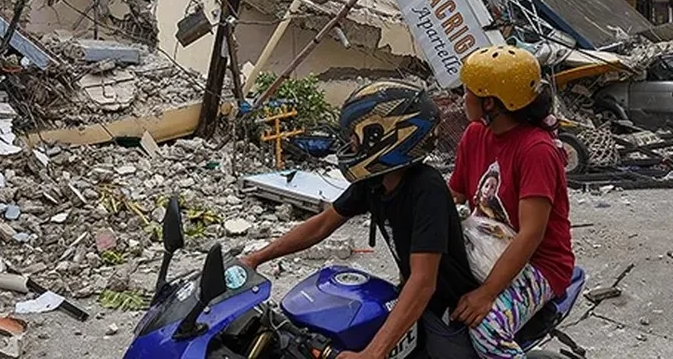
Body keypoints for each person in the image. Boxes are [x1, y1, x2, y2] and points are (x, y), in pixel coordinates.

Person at [240, 80, 479, 359]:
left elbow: (424, 281)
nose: (350, 143)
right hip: (411, 301)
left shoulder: (427, 189)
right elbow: (321, 224)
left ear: (388, 136)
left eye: (356, 135)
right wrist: (256, 258)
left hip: (445, 314)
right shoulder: (375, 182)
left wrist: (372, 354)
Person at [449, 46, 575, 359]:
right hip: (487, 247)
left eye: (468, 92)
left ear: (490, 102)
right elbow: (456, 194)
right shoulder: (475, 134)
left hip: (540, 263)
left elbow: (531, 233)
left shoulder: (536, 151)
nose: (462, 98)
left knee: (487, 329)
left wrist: (487, 294)